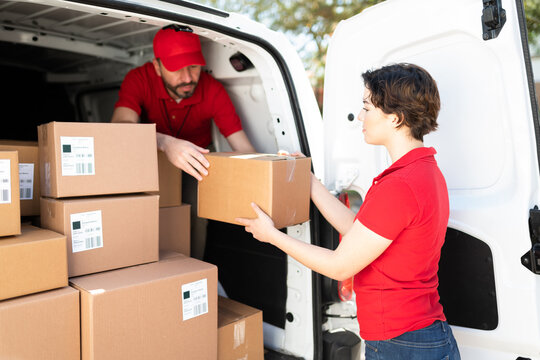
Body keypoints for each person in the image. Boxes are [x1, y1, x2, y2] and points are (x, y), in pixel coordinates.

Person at [236, 63, 461, 359]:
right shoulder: (422, 172)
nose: (360, 116)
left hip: (402, 343)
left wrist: (272, 236)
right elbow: (357, 232)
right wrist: (310, 180)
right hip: (417, 336)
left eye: (367, 107)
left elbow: (340, 266)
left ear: (395, 117)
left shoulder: (401, 185)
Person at [111, 24, 255, 259]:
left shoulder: (213, 90)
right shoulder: (139, 78)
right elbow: (119, 128)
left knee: (196, 217)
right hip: (147, 157)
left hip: (196, 163)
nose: (188, 77)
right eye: (177, 68)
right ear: (157, 67)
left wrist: (275, 163)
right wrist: (166, 143)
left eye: (194, 67)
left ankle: (190, 272)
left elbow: (245, 149)